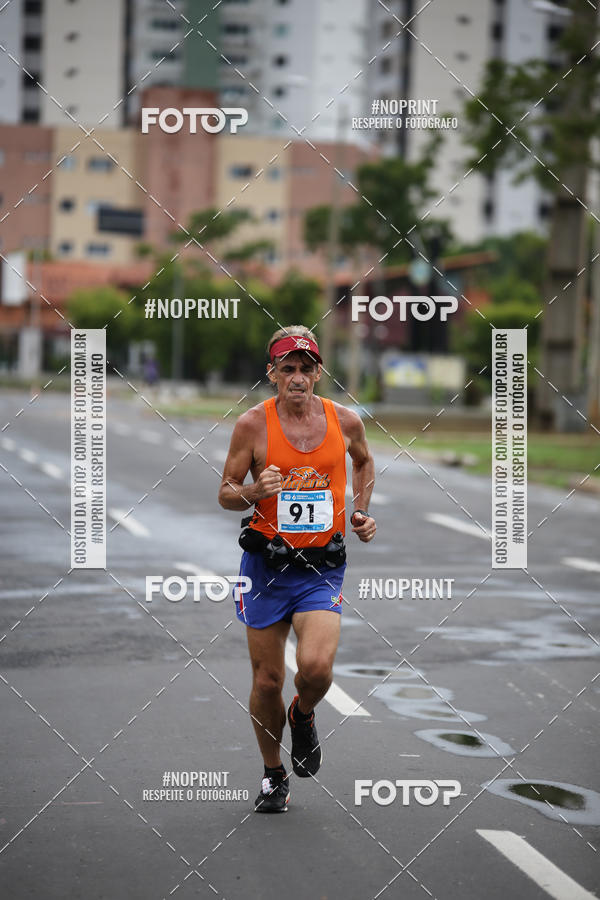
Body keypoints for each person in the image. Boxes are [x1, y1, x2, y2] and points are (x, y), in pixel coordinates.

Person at [218, 326, 376, 813]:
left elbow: (365, 463)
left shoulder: (344, 420)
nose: (298, 377)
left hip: (320, 568)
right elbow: (225, 492)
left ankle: (303, 714)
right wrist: (254, 492)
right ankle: (272, 775)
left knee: (316, 669)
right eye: (288, 368)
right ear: (272, 375)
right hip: (265, 566)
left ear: (318, 373)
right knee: (267, 680)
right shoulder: (252, 425)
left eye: (307, 368)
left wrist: (360, 511)